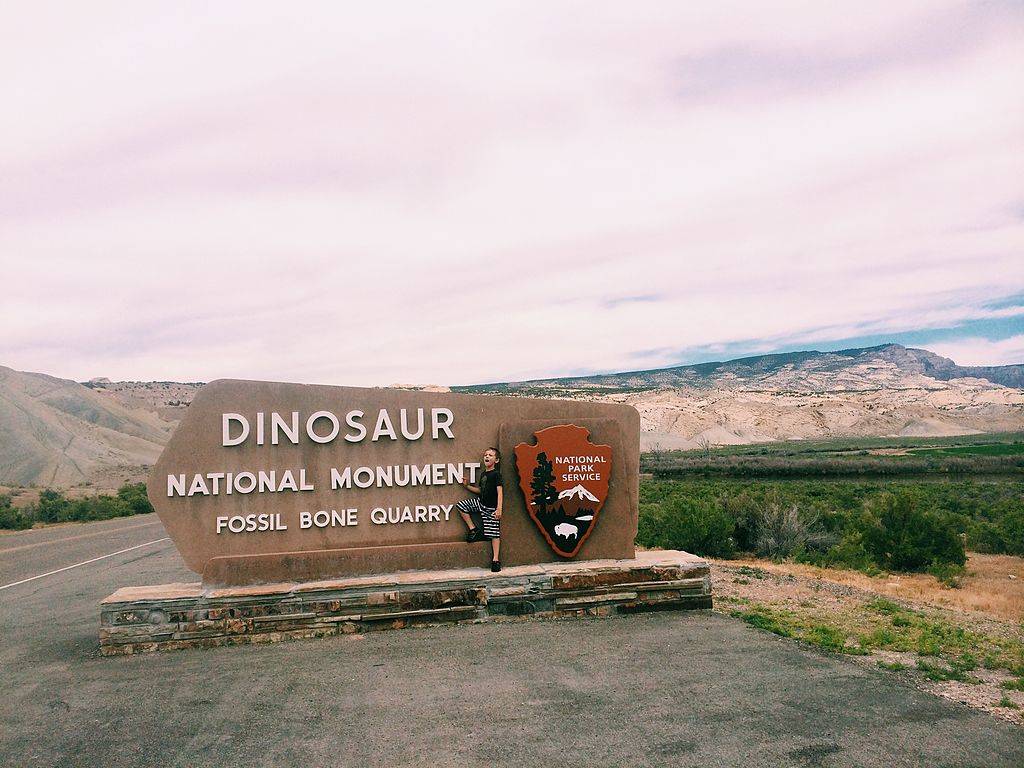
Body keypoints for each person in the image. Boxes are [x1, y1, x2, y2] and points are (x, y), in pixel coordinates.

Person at [455, 447, 503, 571]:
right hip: (480, 503)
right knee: (461, 506)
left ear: (496, 460)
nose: (487, 457)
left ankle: (496, 560)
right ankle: (474, 530)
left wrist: (499, 509)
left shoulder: (496, 474)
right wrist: (467, 486)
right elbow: (480, 491)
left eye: (490, 455)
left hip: (491, 509)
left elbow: (500, 492)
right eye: (486, 455)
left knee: (494, 534)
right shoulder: (483, 474)